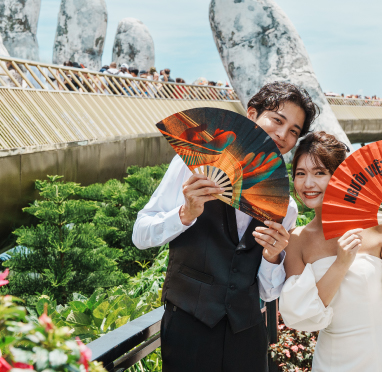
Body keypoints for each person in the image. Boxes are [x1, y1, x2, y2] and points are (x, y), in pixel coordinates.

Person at [133, 82, 319, 372]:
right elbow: (140, 234)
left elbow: (269, 294)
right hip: (188, 328)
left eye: (294, 131)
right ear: (251, 115)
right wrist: (184, 213)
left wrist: (272, 256)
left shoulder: (285, 207)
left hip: (247, 334)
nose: (283, 135)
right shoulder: (193, 165)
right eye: (277, 120)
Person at [279, 132, 382, 372]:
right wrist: (341, 263)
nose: (308, 183)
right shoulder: (296, 240)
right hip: (333, 360)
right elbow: (302, 315)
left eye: (319, 173)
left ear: (341, 176)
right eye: (300, 173)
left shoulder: (378, 225)